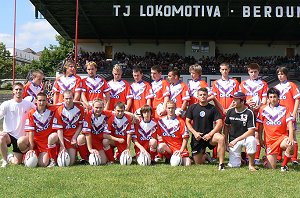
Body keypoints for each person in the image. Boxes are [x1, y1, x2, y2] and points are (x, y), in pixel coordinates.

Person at [186, 88, 225, 170]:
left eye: (204, 94)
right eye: (200, 95)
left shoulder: (212, 108)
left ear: (207, 96)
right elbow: (187, 122)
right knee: (198, 163)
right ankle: (206, 155)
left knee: (221, 138)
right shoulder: (192, 108)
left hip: (210, 137)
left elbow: (220, 123)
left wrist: (210, 134)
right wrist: (195, 133)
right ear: (197, 96)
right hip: (198, 138)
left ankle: (221, 164)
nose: (202, 96)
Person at [77, 98, 125, 164]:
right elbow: (87, 134)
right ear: (92, 107)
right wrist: (90, 149)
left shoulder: (107, 113)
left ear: (103, 107)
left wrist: (133, 115)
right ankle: (85, 159)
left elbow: (118, 112)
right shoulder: (88, 114)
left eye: (100, 107)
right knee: (80, 138)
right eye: (96, 107)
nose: (98, 109)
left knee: (102, 161)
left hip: (100, 141)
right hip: (90, 139)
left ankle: (111, 157)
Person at [257, 88, 294, 171]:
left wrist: (290, 137)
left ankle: (284, 166)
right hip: (270, 141)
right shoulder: (263, 109)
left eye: (275, 97)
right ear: (268, 98)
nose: (273, 99)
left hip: (282, 138)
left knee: (291, 145)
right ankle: (266, 160)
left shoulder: (285, 108)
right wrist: (260, 138)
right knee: (271, 168)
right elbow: (260, 126)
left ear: (278, 98)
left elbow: (290, 123)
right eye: (271, 97)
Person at [0, 82, 35, 167]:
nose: (18, 91)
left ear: (23, 91)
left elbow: (39, 110)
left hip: (21, 137)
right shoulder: (6, 104)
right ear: (13, 91)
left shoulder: (28, 104)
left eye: (20, 89)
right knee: (1, 137)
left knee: (16, 162)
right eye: (16, 89)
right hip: (9, 134)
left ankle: (9, 156)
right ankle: (4, 161)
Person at [239, 63, 268, 164]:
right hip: (246, 112)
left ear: (258, 72)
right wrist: (246, 102)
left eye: (255, 72)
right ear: (248, 72)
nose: (253, 74)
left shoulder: (263, 84)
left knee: (256, 134)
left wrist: (259, 105)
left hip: (258, 112)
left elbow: (264, 99)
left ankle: (255, 158)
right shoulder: (243, 84)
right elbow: (240, 99)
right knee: (247, 134)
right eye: (251, 72)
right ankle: (247, 157)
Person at [23, 92, 59, 167]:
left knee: (42, 164)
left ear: (47, 101)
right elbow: (31, 131)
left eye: (43, 100)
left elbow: (65, 104)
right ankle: (26, 155)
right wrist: (31, 147)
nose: (41, 103)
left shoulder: (52, 110)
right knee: (21, 141)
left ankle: (50, 157)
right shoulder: (31, 113)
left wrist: (79, 102)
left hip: (47, 142)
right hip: (36, 142)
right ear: (36, 101)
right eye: (40, 100)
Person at [224, 91, 257, 171]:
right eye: (233, 99)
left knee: (252, 140)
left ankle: (251, 165)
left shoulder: (249, 113)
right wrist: (226, 142)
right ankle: (243, 159)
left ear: (242, 102)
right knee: (234, 166)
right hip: (233, 139)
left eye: (236, 100)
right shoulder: (230, 111)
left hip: (245, 138)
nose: (233, 102)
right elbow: (226, 127)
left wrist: (236, 140)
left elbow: (251, 131)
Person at [274, 67, 300, 164]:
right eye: (279, 74)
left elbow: (297, 99)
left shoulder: (291, 85)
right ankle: (279, 157)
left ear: (286, 75)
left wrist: (294, 112)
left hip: (289, 115)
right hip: (279, 116)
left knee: (292, 136)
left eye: (282, 74)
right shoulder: (276, 88)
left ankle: (294, 159)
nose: (280, 76)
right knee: (281, 136)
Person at [52, 90, 85, 166]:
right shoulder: (59, 109)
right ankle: (53, 159)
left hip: (72, 139)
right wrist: (62, 145)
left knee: (70, 163)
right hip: (62, 138)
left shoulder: (80, 109)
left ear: (73, 98)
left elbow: (80, 125)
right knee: (52, 137)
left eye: (70, 98)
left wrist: (74, 137)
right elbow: (59, 129)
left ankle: (80, 157)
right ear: (63, 99)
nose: (68, 100)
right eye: (66, 98)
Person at [157, 101, 191, 166]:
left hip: (179, 147)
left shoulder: (180, 121)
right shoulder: (161, 121)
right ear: (166, 109)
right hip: (169, 148)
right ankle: (167, 157)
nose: (170, 110)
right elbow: (159, 136)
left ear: (175, 108)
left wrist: (181, 150)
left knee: (187, 164)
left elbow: (185, 138)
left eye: (172, 108)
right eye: (169, 108)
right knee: (160, 147)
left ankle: (176, 158)